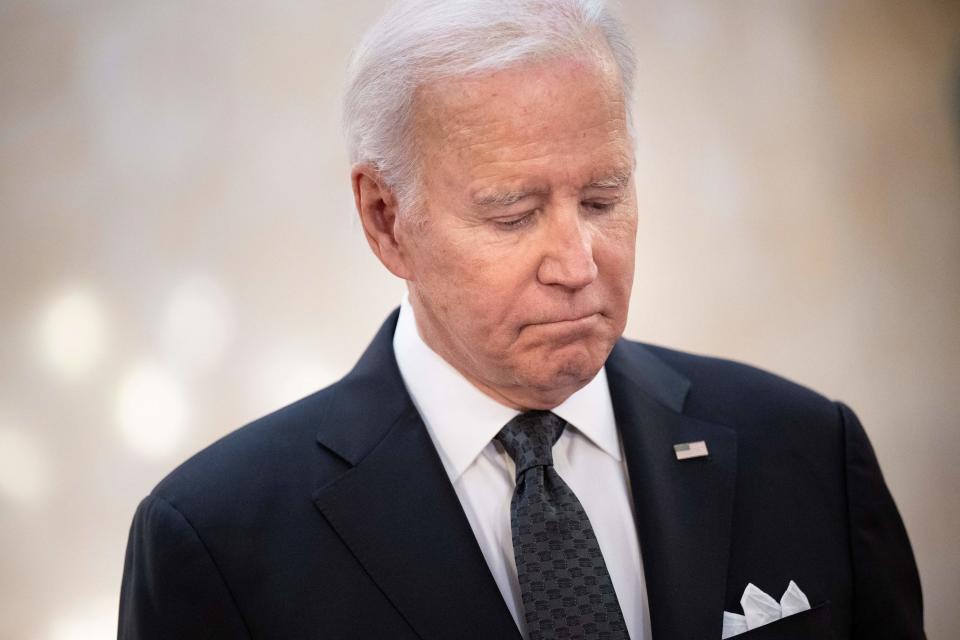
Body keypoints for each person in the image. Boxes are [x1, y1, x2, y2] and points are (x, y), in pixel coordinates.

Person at [118, 1, 924, 638]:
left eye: (603, 199)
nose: (577, 265)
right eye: (512, 214)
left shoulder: (811, 453)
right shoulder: (218, 540)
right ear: (385, 217)